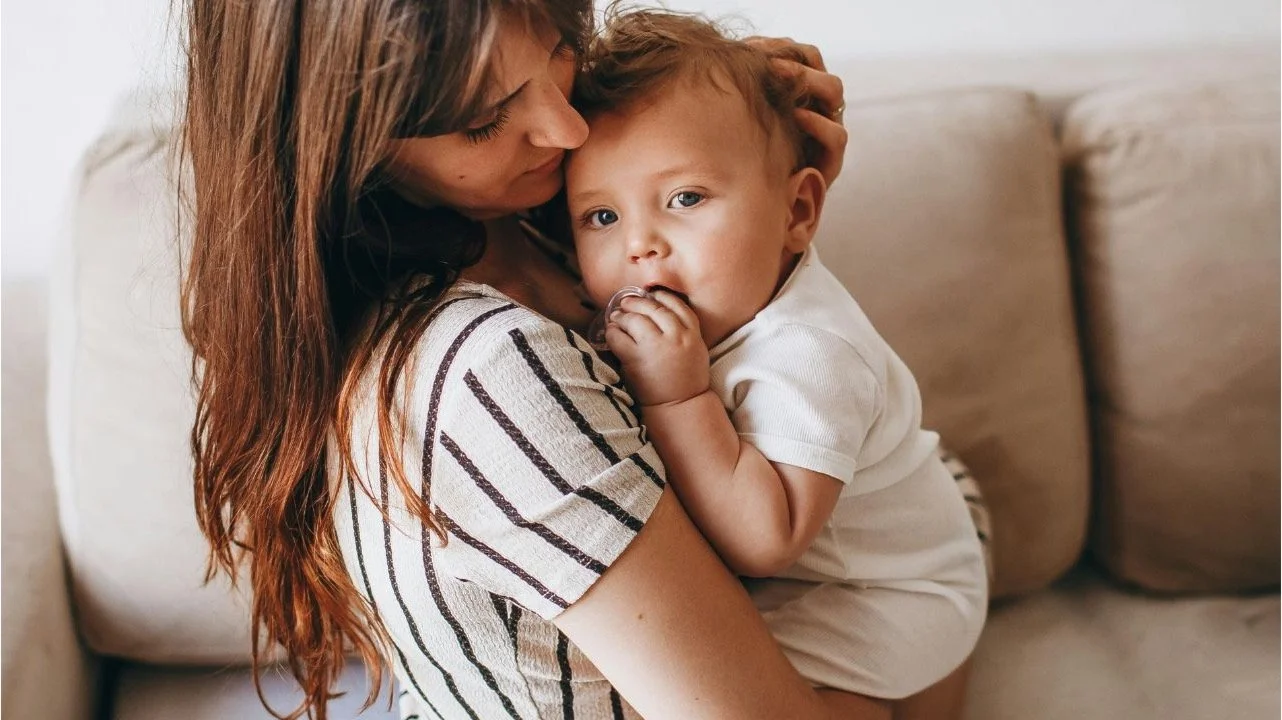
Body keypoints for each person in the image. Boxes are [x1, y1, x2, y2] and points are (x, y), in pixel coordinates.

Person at [177, 0, 975, 718]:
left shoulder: (521, 222)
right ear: (346, 142)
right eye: (487, 119)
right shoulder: (492, 366)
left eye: (559, 47)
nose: (567, 129)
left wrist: (750, 183)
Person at [563, 7, 990, 714]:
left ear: (796, 212)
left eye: (685, 198)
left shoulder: (811, 353)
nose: (640, 245)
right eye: (600, 217)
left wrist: (678, 400)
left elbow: (767, 540)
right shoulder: (668, 301)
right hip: (847, 572)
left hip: (890, 595)